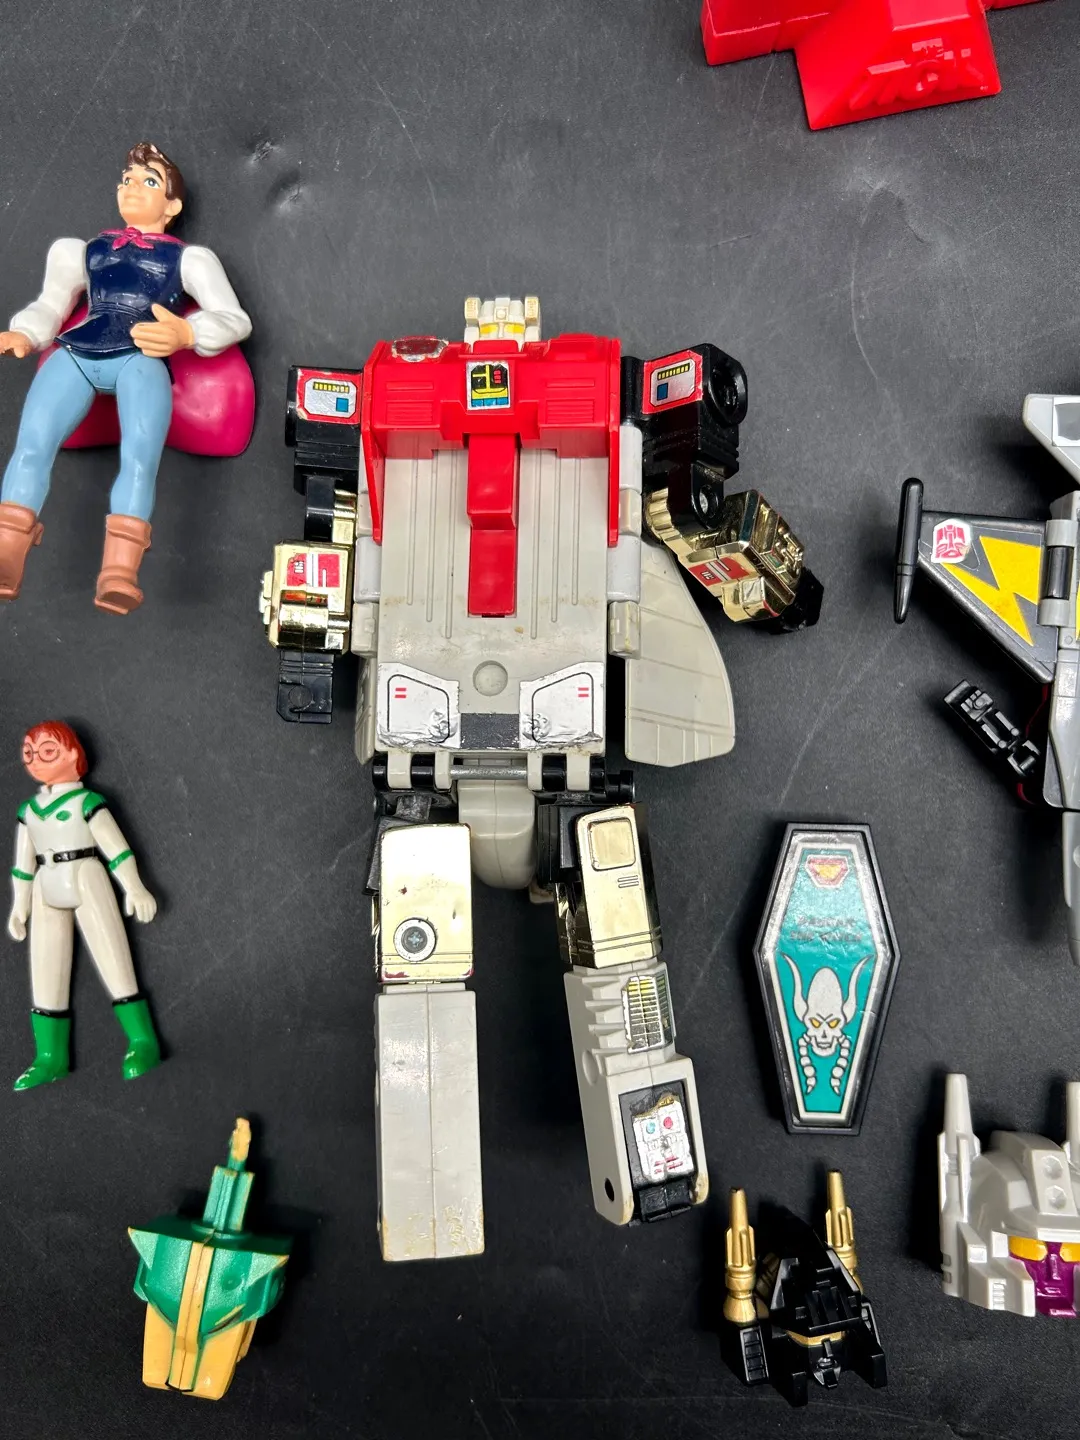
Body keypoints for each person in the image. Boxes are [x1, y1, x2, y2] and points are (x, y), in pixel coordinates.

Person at [0, 142, 251, 612]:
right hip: (78, 352)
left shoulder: (191, 260)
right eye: (127, 179)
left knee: (139, 458)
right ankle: (7, 553)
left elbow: (234, 319)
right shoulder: (81, 251)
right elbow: (51, 304)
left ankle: (119, 571)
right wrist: (26, 333)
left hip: (141, 358)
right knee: (32, 443)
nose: (132, 187)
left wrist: (186, 332)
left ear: (172, 206)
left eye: (149, 181)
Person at [7, 720, 161, 1089]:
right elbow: (23, 865)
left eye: (48, 751)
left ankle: (143, 1040)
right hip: (45, 884)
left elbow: (116, 849)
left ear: (73, 754)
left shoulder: (86, 802)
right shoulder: (29, 811)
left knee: (114, 960)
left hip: (85, 875)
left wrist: (134, 888)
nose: (36, 759)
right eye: (30, 753)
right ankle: (50, 1057)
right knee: (45, 971)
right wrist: (19, 905)